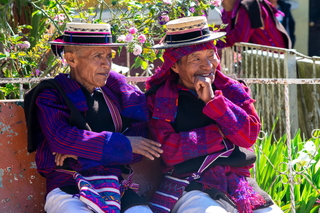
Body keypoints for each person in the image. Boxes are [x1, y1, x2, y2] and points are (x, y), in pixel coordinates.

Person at [145, 16, 283, 213]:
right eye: (196, 59)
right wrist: (218, 134)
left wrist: (213, 102)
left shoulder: (232, 90)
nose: (208, 65)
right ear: (175, 66)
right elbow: (168, 150)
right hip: (187, 183)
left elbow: (248, 136)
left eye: (211, 55)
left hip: (236, 182)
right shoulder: (159, 99)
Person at [24, 22, 163, 213]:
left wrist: (82, 151)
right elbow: (61, 139)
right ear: (71, 59)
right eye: (97, 56)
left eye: (108, 56)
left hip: (116, 187)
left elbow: (139, 146)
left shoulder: (117, 94)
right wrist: (122, 143)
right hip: (69, 187)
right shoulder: (51, 95)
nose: (106, 63)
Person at [216, 0, 292, 49]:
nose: (220, 3)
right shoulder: (226, 11)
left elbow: (239, 37)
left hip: (276, 59)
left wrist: (214, 41)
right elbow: (224, 32)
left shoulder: (250, 4)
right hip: (257, 61)